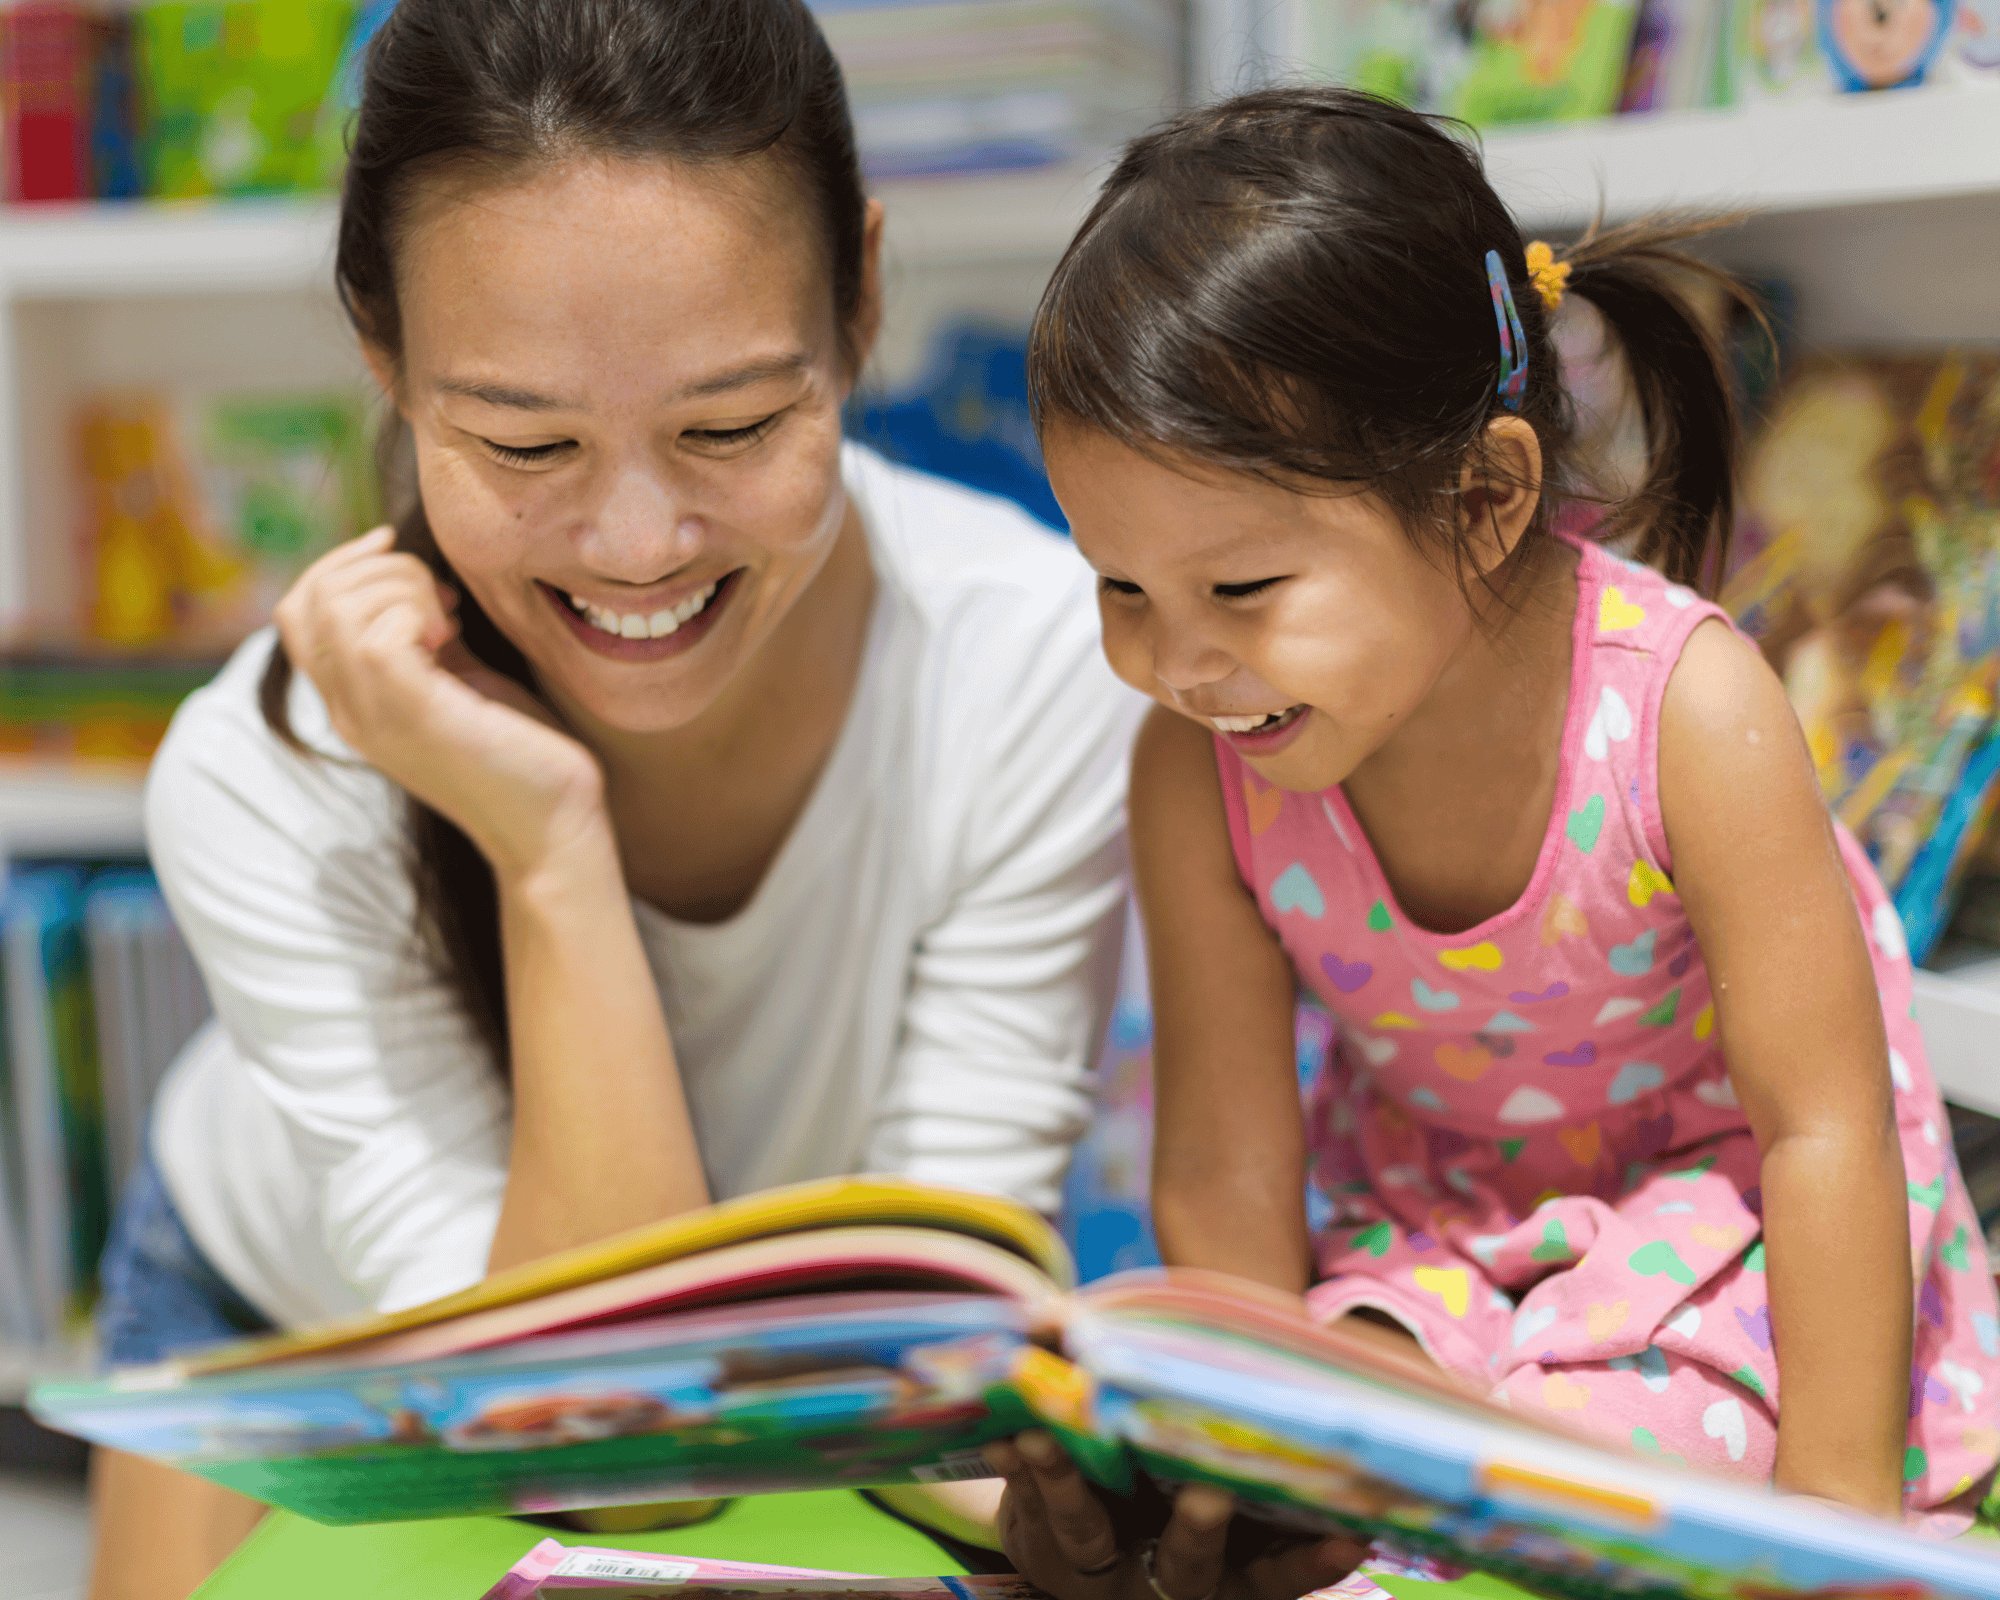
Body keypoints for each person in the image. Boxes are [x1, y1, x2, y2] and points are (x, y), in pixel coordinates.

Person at [88, 4, 1138, 1596]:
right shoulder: (271, 777)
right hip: (281, 1316)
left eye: (731, 425)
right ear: (379, 350)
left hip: (778, 1382)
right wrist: (547, 847)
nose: (638, 542)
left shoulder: (1037, 670)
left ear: (861, 297)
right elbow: (594, 1461)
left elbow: (928, 1342)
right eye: (524, 441)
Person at [986, 86, 2000, 1600]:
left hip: (1724, 1226)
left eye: (1245, 588)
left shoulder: (1688, 710)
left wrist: (1835, 1515)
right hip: (1442, 1240)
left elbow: (1823, 1132)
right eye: (1119, 587)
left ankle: (1444, 1480)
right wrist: (1234, 1438)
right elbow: (1223, 1163)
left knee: (1634, 1444)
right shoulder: (1199, 768)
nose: (1177, 663)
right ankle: (1387, 1483)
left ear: (1484, 497)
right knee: (1234, 1400)